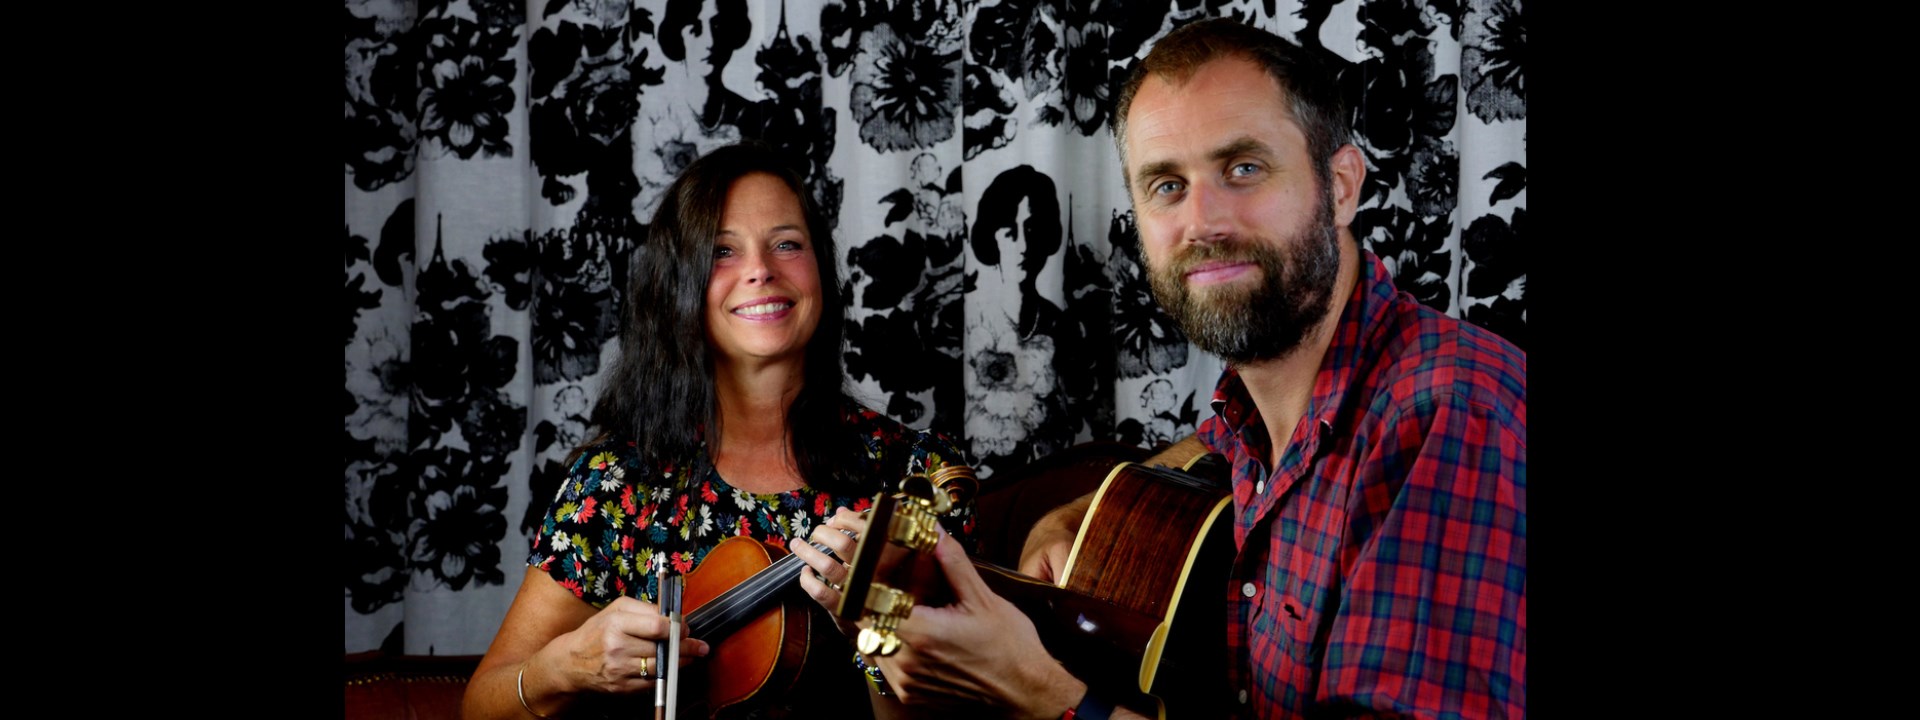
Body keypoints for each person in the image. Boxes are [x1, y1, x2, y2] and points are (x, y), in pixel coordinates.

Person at [841, 17, 1527, 719]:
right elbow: (1220, 444)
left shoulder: (1451, 415)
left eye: (1244, 169)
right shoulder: (1252, 415)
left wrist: (1035, 693)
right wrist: (1078, 515)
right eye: (1167, 185)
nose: (1203, 222)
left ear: (1342, 185)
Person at [462, 142, 976, 720]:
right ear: (679, 286)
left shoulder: (915, 474)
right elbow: (481, 706)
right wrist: (566, 666)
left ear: (822, 273)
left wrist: (880, 621)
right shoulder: (615, 485)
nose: (760, 269)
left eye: (787, 244)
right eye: (722, 251)